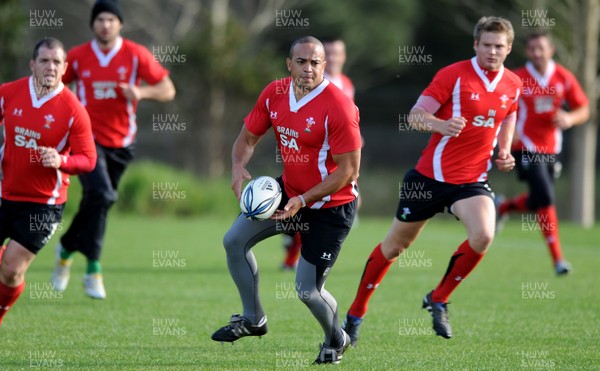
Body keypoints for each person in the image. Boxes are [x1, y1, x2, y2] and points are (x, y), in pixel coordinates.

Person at [342, 16, 522, 345]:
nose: (492, 51)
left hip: (471, 181)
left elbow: (509, 113)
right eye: (486, 45)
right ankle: (355, 314)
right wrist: (441, 125)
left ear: (508, 48)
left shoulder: (513, 83)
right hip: (427, 179)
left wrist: (506, 149)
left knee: (483, 235)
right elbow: (415, 115)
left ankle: (438, 298)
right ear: (475, 45)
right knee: (394, 247)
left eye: (499, 46)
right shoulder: (452, 75)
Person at [211, 36, 361, 365]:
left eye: (316, 63)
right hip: (288, 193)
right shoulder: (275, 92)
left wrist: (305, 199)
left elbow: (349, 171)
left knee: (307, 290)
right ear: (289, 64)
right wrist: (238, 165)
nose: (309, 69)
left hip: (330, 207)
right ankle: (253, 319)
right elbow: (248, 137)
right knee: (234, 241)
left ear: (325, 65)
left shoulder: (338, 106)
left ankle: (337, 339)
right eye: (302, 62)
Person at [50, 0, 176, 299]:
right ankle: (93, 269)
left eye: (110, 19)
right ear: (92, 24)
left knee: (99, 200)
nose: (105, 24)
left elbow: (168, 89)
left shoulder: (135, 54)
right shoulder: (78, 56)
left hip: (121, 144)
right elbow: (56, 86)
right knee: (104, 195)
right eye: (100, 19)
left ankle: (66, 248)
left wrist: (141, 92)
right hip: (86, 140)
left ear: (119, 23)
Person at [0, 38, 97, 325]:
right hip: (4, 193)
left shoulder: (73, 109)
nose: (50, 66)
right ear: (32, 64)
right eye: (44, 60)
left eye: (57, 62)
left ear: (65, 68)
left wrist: (60, 161)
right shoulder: (8, 93)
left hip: (43, 205)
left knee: (11, 270)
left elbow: (87, 159)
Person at [496, 31, 589, 275]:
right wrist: (506, 130)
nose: (537, 53)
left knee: (539, 200)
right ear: (527, 52)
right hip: (524, 147)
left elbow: (584, 109)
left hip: (552, 150)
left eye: (542, 48)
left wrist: (570, 117)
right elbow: (497, 106)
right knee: (546, 198)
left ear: (551, 50)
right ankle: (558, 260)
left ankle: (504, 207)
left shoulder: (563, 77)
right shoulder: (517, 77)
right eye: (532, 49)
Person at [281, 37, 356, 271]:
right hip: (305, 163)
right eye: (330, 53)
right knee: (294, 211)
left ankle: (296, 252)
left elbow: (347, 127)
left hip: (336, 167)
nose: (333, 58)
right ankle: (291, 248)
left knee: (309, 288)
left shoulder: (345, 85)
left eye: (337, 54)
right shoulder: (302, 82)